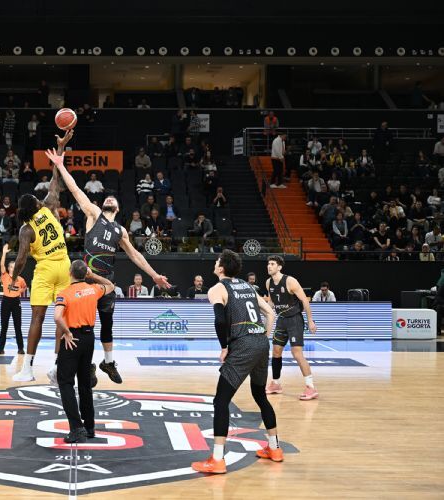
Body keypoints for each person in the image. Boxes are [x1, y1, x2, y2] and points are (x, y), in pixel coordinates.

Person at [46, 145, 170, 384]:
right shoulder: (94, 214)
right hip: (85, 280)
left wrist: (154, 275)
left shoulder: (120, 230)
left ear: (118, 208)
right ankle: (66, 363)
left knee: (107, 324)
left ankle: (108, 362)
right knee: (76, 324)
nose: (110, 199)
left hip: (106, 283)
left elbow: (135, 255)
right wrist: (61, 166)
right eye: (107, 198)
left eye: (113, 199)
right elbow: (76, 190)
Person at [191, 250, 280, 474]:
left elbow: (220, 320)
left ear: (221, 268)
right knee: (260, 396)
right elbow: (270, 313)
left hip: (243, 345)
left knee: (221, 401)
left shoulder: (217, 289)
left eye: (217, 261)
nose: (215, 263)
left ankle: (217, 459)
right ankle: (275, 448)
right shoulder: (247, 286)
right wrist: (264, 337)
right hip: (261, 343)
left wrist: (224, 347)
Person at [9, 132, 73, 382]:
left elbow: (21, 259)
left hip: (45, 269)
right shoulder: (49, 206)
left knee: (38, 317)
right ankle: (58, 367)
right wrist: (60, 152)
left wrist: (14, 278)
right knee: (62, 317)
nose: (38, 198)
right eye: (36, 198)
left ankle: (27, 369)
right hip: (65, 265)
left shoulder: (26, 230)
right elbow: (55, 182)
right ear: (35, 205)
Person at [54, 260, 116, 443]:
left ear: (69, 273)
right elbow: (110, 285)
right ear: (85, 273)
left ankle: (76, 429)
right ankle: (89, 427)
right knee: (84, 384)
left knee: (65, 383)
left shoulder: (65, 293)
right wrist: (93, 275)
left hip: (72, 339)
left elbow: (57, 317)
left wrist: (67, 333)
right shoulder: (94, 289)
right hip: (89, 338)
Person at [265, 255, 319, 400]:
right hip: (281, 320)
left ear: (279, 267)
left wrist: (310, 321)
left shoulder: (290, 281)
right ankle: (276, 384)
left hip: (294, 320)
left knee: (297, 353)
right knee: (276, 351)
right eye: (268, 264)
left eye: (272, 264)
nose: (269, 266)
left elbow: (305, 301)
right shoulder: (269, 282)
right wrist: (264, 315)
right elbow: (271, 303)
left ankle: (311, 387)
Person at [0, 244, 26, 355]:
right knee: (4, 326)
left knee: (17, 326)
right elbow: (1, 264)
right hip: (6, 301)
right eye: (12, 266)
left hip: (16, 302)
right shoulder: (5, 276)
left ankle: (20, 348)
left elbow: (24, 287)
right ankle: (1, 349)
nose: (13, 268)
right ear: (9, 268)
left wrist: (19, 292)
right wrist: (4, 253)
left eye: (15, 266)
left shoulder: (21, 279)